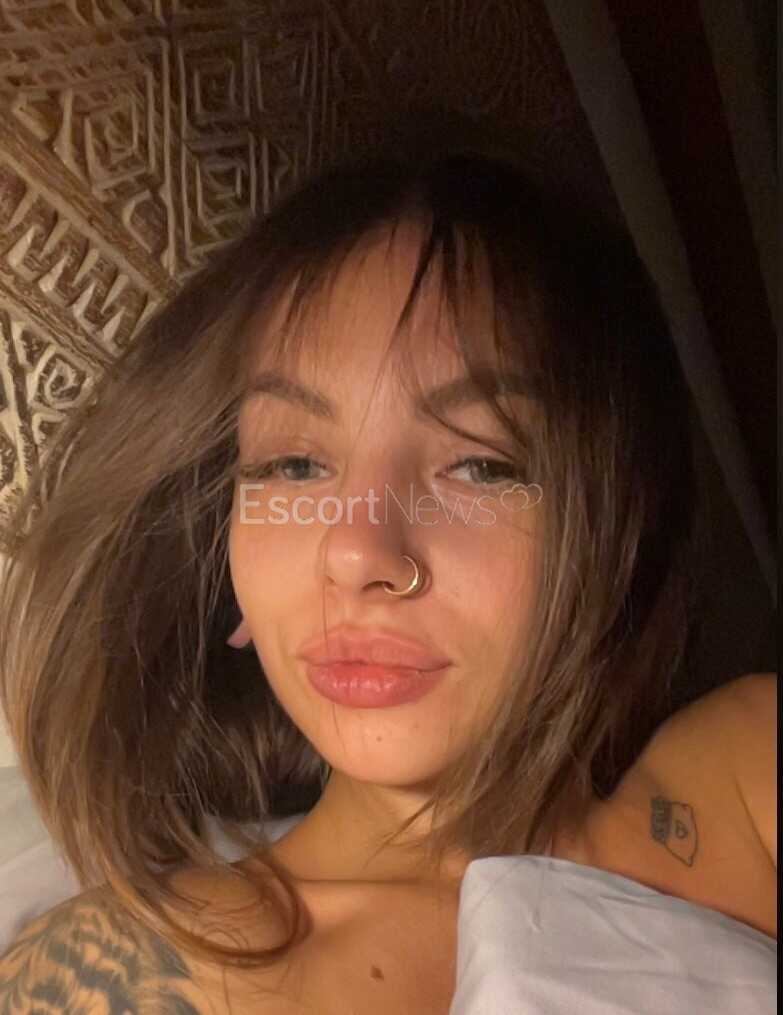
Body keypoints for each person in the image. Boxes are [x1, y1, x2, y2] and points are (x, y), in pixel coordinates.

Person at [0, 144, 776, 1014]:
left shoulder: (744, 778)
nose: (356, 552)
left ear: (620, 532)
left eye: (480, 465)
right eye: (294, 465)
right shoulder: (143, 970)